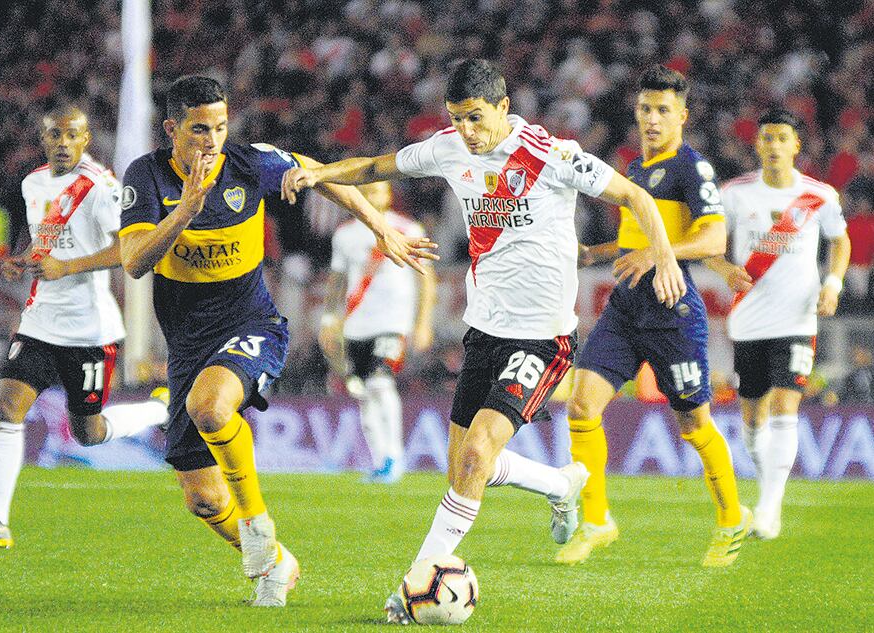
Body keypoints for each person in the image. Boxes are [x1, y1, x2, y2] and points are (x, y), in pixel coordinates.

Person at [281, 58, 685, 623]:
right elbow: (377, 166)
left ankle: (411, 587)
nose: (466, 131)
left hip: (542, 339)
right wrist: (321, 174)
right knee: (465, 470)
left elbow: (637, 198)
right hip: (485, 334)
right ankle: (558, 484)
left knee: (475, 454)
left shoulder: (553, 155)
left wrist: (664, 256)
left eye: (474, 118)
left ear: (502, 107)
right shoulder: (450, 148)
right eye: (456, 119)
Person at [117, 76, 436, 608]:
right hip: (188, 344)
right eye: (199, 129)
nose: (212, 139)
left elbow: (321, 175)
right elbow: (134, 262)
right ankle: (276, 561)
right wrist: (185, 211)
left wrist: (380, 225)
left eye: (220, 126)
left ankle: (259, 525)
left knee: (210, 406)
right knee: (201, 498)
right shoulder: (146, 177)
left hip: (251, 326)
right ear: (172, 129)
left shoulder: (248, 164)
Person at [0, 106, 169, 550]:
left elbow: (127, 252)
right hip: (39, 321)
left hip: (90, 330)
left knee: (87, 433)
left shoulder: (102, 187)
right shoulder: (32, 183)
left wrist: (65, 266)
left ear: (86, 139)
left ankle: (160, 409)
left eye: (73, 135)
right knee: (5, 409)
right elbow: (45, 237)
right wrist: (26, 258)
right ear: (44, 138)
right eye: (56, 135)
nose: (64, 143)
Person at [558, 65, 749, 568]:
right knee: (581, 405)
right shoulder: (636, 171)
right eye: (645, 109)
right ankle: (597, 520)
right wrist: (596, 253)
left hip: (672, 309)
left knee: (694, 423)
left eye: (663, 110)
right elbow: (634, 243)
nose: (652, 119)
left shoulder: (692, 167)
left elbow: (713, 239)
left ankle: (732, 518)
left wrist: (661, 256)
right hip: (626, 305)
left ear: (682, 116)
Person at [708, 108, 851, 538]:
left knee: (786, 405)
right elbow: (710, 246)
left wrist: (833, 284)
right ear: (757, 145)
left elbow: (840, 241)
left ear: (795, 146)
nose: (773, 146)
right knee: (752, 415)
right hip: (749, 319)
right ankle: (767, 483)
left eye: (781, 138)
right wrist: (724, 270)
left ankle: (769, 510)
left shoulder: (819, 195)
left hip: (797, 316)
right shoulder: (734, 194)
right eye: (766, 138)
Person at [319, 181, 437, 483]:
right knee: (363, 392)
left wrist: (422, 322)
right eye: (368, 191)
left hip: (393, 321)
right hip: (357, 323)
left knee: (380, 383)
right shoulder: (345, 235)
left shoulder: (408, 229)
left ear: (388, 195)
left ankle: (394, 458)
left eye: (380, 190)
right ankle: (379, 460)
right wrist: (330, 318)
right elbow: (338, 279)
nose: (374, 196)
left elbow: (426, 279)